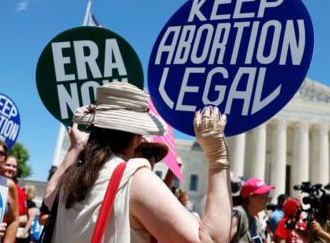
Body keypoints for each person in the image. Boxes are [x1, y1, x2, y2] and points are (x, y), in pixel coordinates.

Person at [44, 82, 232, 243]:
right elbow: (211, 240)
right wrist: (217, 158)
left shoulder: (72, 177)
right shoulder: (133, 176)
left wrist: (75, 147)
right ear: (138, 135)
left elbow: (49, 195)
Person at [230, 178, 275, 243]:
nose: (267, 198)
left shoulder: (257, 223)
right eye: (264, 194)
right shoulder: (238, 215)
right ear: (251, 197)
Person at [1, 154, 29, 241]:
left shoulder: (19, 191)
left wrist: (7, 221)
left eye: (14, 166)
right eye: (8, 165)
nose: (11, 168)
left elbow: (25, 218)